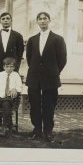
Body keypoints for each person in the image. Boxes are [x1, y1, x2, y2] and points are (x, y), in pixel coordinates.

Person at [25, 12, 67, 142]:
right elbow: (29, 59)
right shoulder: (32, 40)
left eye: (45, 19)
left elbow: (62, 59)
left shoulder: (58, 39)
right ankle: (37, 130)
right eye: (40, 19)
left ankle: (48, 131)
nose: (43, 21)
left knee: (49, 105)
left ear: (49, 20)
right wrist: (36, 70)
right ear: (37, 21)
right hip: (34, 77)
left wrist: (54, 71)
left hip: (51, 78)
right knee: (35, 105)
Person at [0, 57, 22, 136]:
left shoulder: (16, 75)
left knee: (6, 104)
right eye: (7, 66)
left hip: (10, 97)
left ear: (14, 67)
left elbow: (20, 87)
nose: (9, 68)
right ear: (4, 67)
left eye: (11, 66)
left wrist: (15, 89)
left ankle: (4, 126)